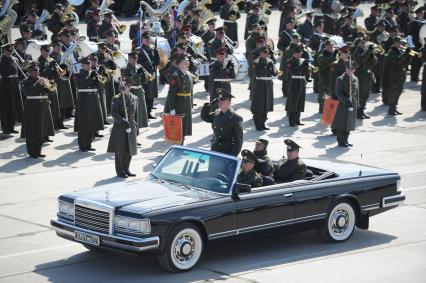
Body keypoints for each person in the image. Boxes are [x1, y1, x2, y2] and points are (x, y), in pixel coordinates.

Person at [20, 62, 55, 158]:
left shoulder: (41, 80)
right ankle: (32, 152)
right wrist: (38, 84)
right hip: (32, 109)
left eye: (38, 71)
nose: (37, 73)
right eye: (34, 71)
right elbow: (29, 92)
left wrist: (49, 84)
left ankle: (38, 151)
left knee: (41, 130)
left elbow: (51, 92)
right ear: (29, 72)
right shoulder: (24, 82)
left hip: (43, 107)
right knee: (32, 131)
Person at [107, 77, 138, 178]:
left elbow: (135, 113)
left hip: (131, 126)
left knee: (130, 150)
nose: (124, 88)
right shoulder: (116, 98)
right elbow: (114, 113)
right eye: (123, 87)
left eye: (126, 86)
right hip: (120, 126)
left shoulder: (135, 98)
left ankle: (126, 169)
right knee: (120, 150)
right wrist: (122, 121)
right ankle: (120, 171)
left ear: (129, 87)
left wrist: (136, 126)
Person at [201, 88, 243, 156]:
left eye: (223, 100)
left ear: (229, 102)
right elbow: (205, 117)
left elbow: (238, 141)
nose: (220, 102)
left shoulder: (236, 118)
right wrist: (209, 105)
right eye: (219, 100)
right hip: (214, 148)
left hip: (226, 151)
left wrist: (232, 156)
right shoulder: (217, 113)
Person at [74, 57, 104, 152]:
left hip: (93, 100)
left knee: (92, 122)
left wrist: (98, 78)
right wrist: (92, 77)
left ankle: (89, 143)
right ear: (82, 65)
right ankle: (82, 144)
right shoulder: (77, 75)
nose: (88, 66)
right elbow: (81, 84)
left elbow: (101, 85)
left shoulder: (93, 73)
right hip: (83, 101)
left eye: (89, 64)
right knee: (84, 123)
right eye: (86, 64)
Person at [164, 54, 194, 143]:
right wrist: (172, 108)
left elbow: (190, 91)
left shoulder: (188, 74)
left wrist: (191, 103)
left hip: (187, 104)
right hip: (179, 104)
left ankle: (182, 142)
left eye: (187, 62)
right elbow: (171, 94)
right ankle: (179, 144)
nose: (187, 64)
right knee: (178, 127)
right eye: (184, 63)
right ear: (180, 64)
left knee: (185, 125)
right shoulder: (175, 76)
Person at [332, 62, 359, 147]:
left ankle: (346, 139)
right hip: (344, 103)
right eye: (349, 69)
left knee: (349, 122)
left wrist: (357, 103)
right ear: (346, 69)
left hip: (352, 102)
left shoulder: (355, 78)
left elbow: (357, 92)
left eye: (352, 69)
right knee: (342, 122)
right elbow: (338, 93)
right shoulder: (340, 79)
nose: (350, 71)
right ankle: (341, 141)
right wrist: (346, 100)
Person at [251, 46, 278, 131]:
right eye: (263, 53)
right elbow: (259, 73)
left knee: (266, 105)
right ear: (260, 53)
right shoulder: (256, 62)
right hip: (259, 85)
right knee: (259, 106)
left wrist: (272, 68)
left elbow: (275, 73)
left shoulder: (270, 61)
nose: (265, 54)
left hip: (268, 85)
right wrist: (267, 67)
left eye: (266, 53)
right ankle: (257, 125)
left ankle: (262, 124)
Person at [0, 43, 23, 135]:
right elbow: (3, 73)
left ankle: (11, 126)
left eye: (11, 51)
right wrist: (10, 62)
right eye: (8, 51)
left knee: (13, 106)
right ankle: (5, 127)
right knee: (5, 107)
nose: (10, 53)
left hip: (15, 84)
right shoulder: (1, 59)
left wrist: (23, 67)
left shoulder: (16, 59)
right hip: (5, 85)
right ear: (4, 50)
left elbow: (19, 73)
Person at [122, 52, 149, 130]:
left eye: (135, 59)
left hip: (139, 92)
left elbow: (145, 81)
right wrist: (137, 74)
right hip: (131, 92)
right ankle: (133, 132)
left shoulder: (138, 67)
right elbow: (129, 81)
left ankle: (137, 130)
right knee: (132, 113)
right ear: (129, 59)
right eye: (132, 59)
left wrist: (143, 74)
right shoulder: (125, 69)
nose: (134, 60)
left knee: (140, 112)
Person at [353, 36, 377, 119]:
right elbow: (361, 60)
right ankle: (358, 112)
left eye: (364, 42)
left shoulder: (366, 51)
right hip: (361, 77)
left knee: (366, 94)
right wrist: (368, 51)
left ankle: (362, 110)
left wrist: (372, 54)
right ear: (357, 44)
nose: (364, 44)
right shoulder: (357, 52)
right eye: (362, 42)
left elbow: (375, 62)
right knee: (360, 95)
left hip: (368, 76)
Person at [286, 45, 310, 127]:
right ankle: (291, 121)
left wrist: (307, 69)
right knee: (293, 102)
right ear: (294, 53)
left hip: (302, 82)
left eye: (300, 53)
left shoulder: (302, 60)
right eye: (298, 53)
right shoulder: (290, 61)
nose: (299, 55)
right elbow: (293, 71)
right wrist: (302, 66)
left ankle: (297, 120)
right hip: (294, 82)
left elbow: (305, 71)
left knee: (300, 101)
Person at [386, 36, 410, 115]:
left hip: (401, 75)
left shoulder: (400, 50)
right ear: (394, 43)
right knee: (393, 92)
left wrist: (407, 55)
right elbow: (397, 61)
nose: (399, 45)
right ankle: (391, 109)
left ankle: (394, 107)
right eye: (397, 43)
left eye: (399, 43)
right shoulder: (391, 52)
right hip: (394, 76)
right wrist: (405, 54)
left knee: (399, 92)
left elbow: (406, 62)